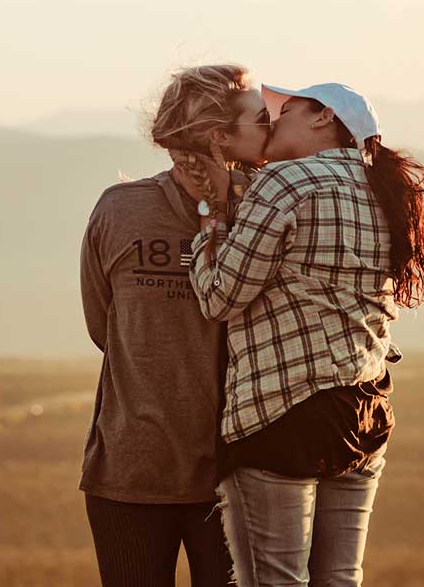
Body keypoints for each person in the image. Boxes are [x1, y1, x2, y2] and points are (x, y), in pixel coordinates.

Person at [177, 82, 424, 586]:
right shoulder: (382, 189)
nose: (273, 119)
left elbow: (221, 297)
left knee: (276, 580)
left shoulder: (286, 182)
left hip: (283, 410)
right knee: (341, 579)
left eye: (285, 109)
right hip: (365, 409)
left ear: (324, 116)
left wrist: (206, 233)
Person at [78, 64, 272, 587]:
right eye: (261, 118)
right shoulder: (122, 209)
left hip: (240, 474)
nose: (273, 126)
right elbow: (104, 328)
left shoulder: (269, 209)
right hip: (131, 473)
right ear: (219, 135)